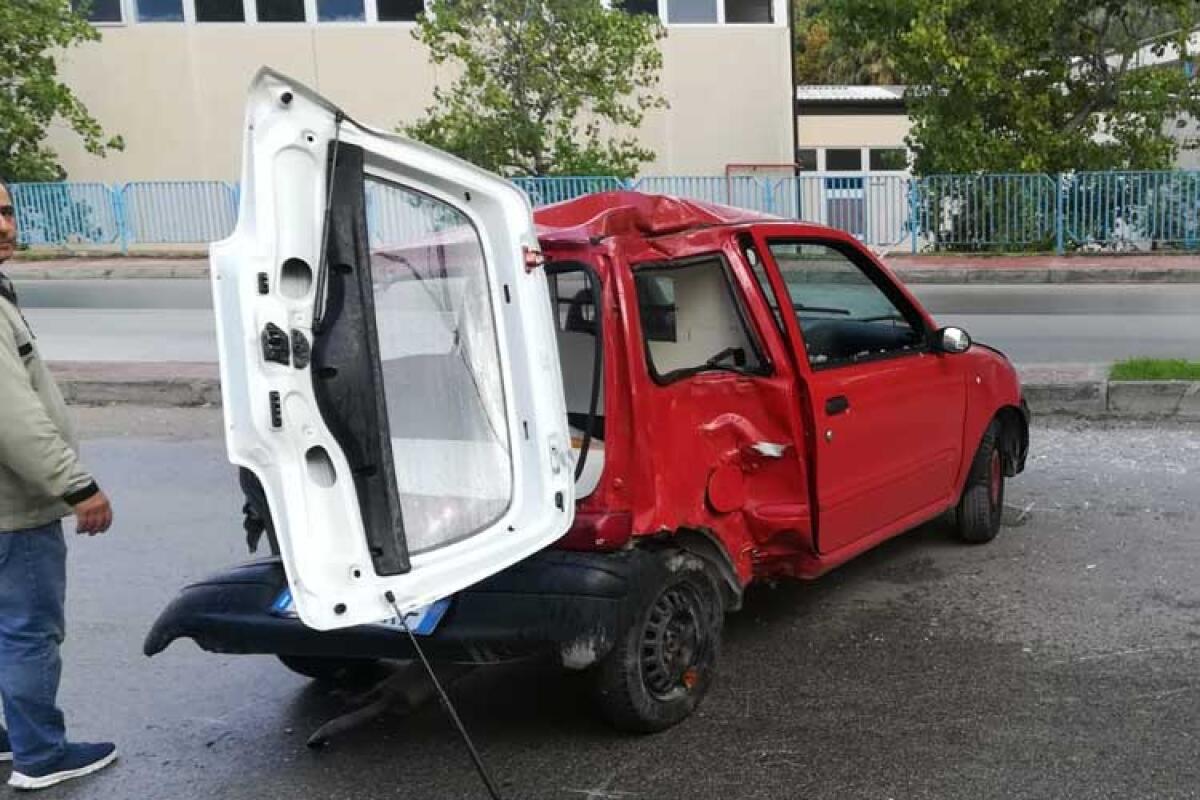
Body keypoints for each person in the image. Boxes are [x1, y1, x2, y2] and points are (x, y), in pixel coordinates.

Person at [0, 179, 117, 791]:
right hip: (12, 511)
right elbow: (12, 417)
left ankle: (12, 736)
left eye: (5, 211)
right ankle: (40, 755)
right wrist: (77, 486)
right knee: (27, 632)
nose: (4, 225)